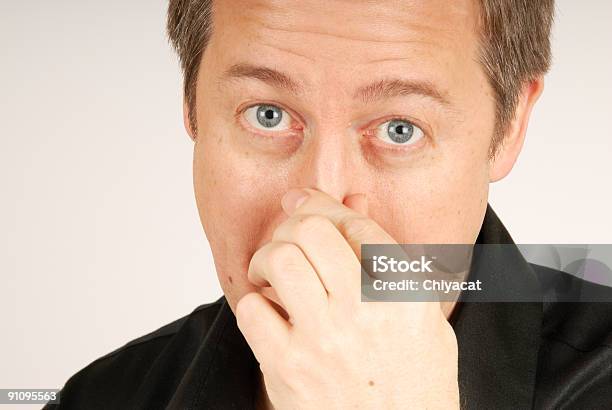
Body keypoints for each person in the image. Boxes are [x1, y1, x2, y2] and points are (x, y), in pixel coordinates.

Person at [46, 0, 612, 408]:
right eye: (267, 114)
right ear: (192, 108)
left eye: (399, 128)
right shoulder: (99, 397)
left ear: (510, 126)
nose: (318, 210)